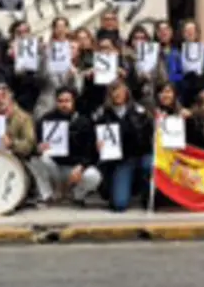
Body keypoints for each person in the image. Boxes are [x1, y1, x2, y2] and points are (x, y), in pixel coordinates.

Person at [32, 87, 102, 205]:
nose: (64, 104)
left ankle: (76, 195)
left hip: (74, 169)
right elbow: (36, 144)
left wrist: (82, 166)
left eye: (67, 101)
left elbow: (90, 152)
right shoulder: (46, 120)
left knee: (94, 176)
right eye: (60, 101)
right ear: (56, 102)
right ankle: (47, 195)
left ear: (73, 102)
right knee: (35, 160)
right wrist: (38, 148)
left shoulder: (84, 122)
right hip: (54, 167)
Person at [93, 81, 153, 212]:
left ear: (126, 92)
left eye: (120, 90)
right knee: (119, 204)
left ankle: (147, 195)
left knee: (149, 165)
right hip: (121, 161)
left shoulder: (140, 111)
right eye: (113, 91)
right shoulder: (102, 113)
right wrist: (97, 145)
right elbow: (95, 137)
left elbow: (148, 136)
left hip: (141, 155)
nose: (117, 94)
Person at [34, 39, 84, 120]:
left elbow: (78, 92)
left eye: (72, 48)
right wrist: (45, 55)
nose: (69, 50)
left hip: (66, 112)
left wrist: (73, 77)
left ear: (77, 53)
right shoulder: (48, 66)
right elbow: (39, 79)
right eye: (67, 47)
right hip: (46, 109)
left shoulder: (77, 71)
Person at [174, 19, 204, 108]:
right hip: (183, 93)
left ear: (197, 33)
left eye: (192, 31)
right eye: (187, 31)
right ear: (182, 34)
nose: (190, 33)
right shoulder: (176, 54)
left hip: (202, 93)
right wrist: (184, 76)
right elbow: (173, 75)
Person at [125, 25, 169, 111]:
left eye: (142, 38)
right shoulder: (125, 57)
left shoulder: (155, 56)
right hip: (132, 101)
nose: (139, 41)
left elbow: (163, 80)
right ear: (131, 41)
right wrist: (140, 78)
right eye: (136, 38)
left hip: (152, 100)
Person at [4, 20, 43, 116]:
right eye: (19, 33)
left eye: (26, 31)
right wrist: (12, 59)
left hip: (39, 97)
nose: (23, 35)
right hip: (19, 99)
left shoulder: (40, 50)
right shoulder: (6, 53)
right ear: (13, 36)